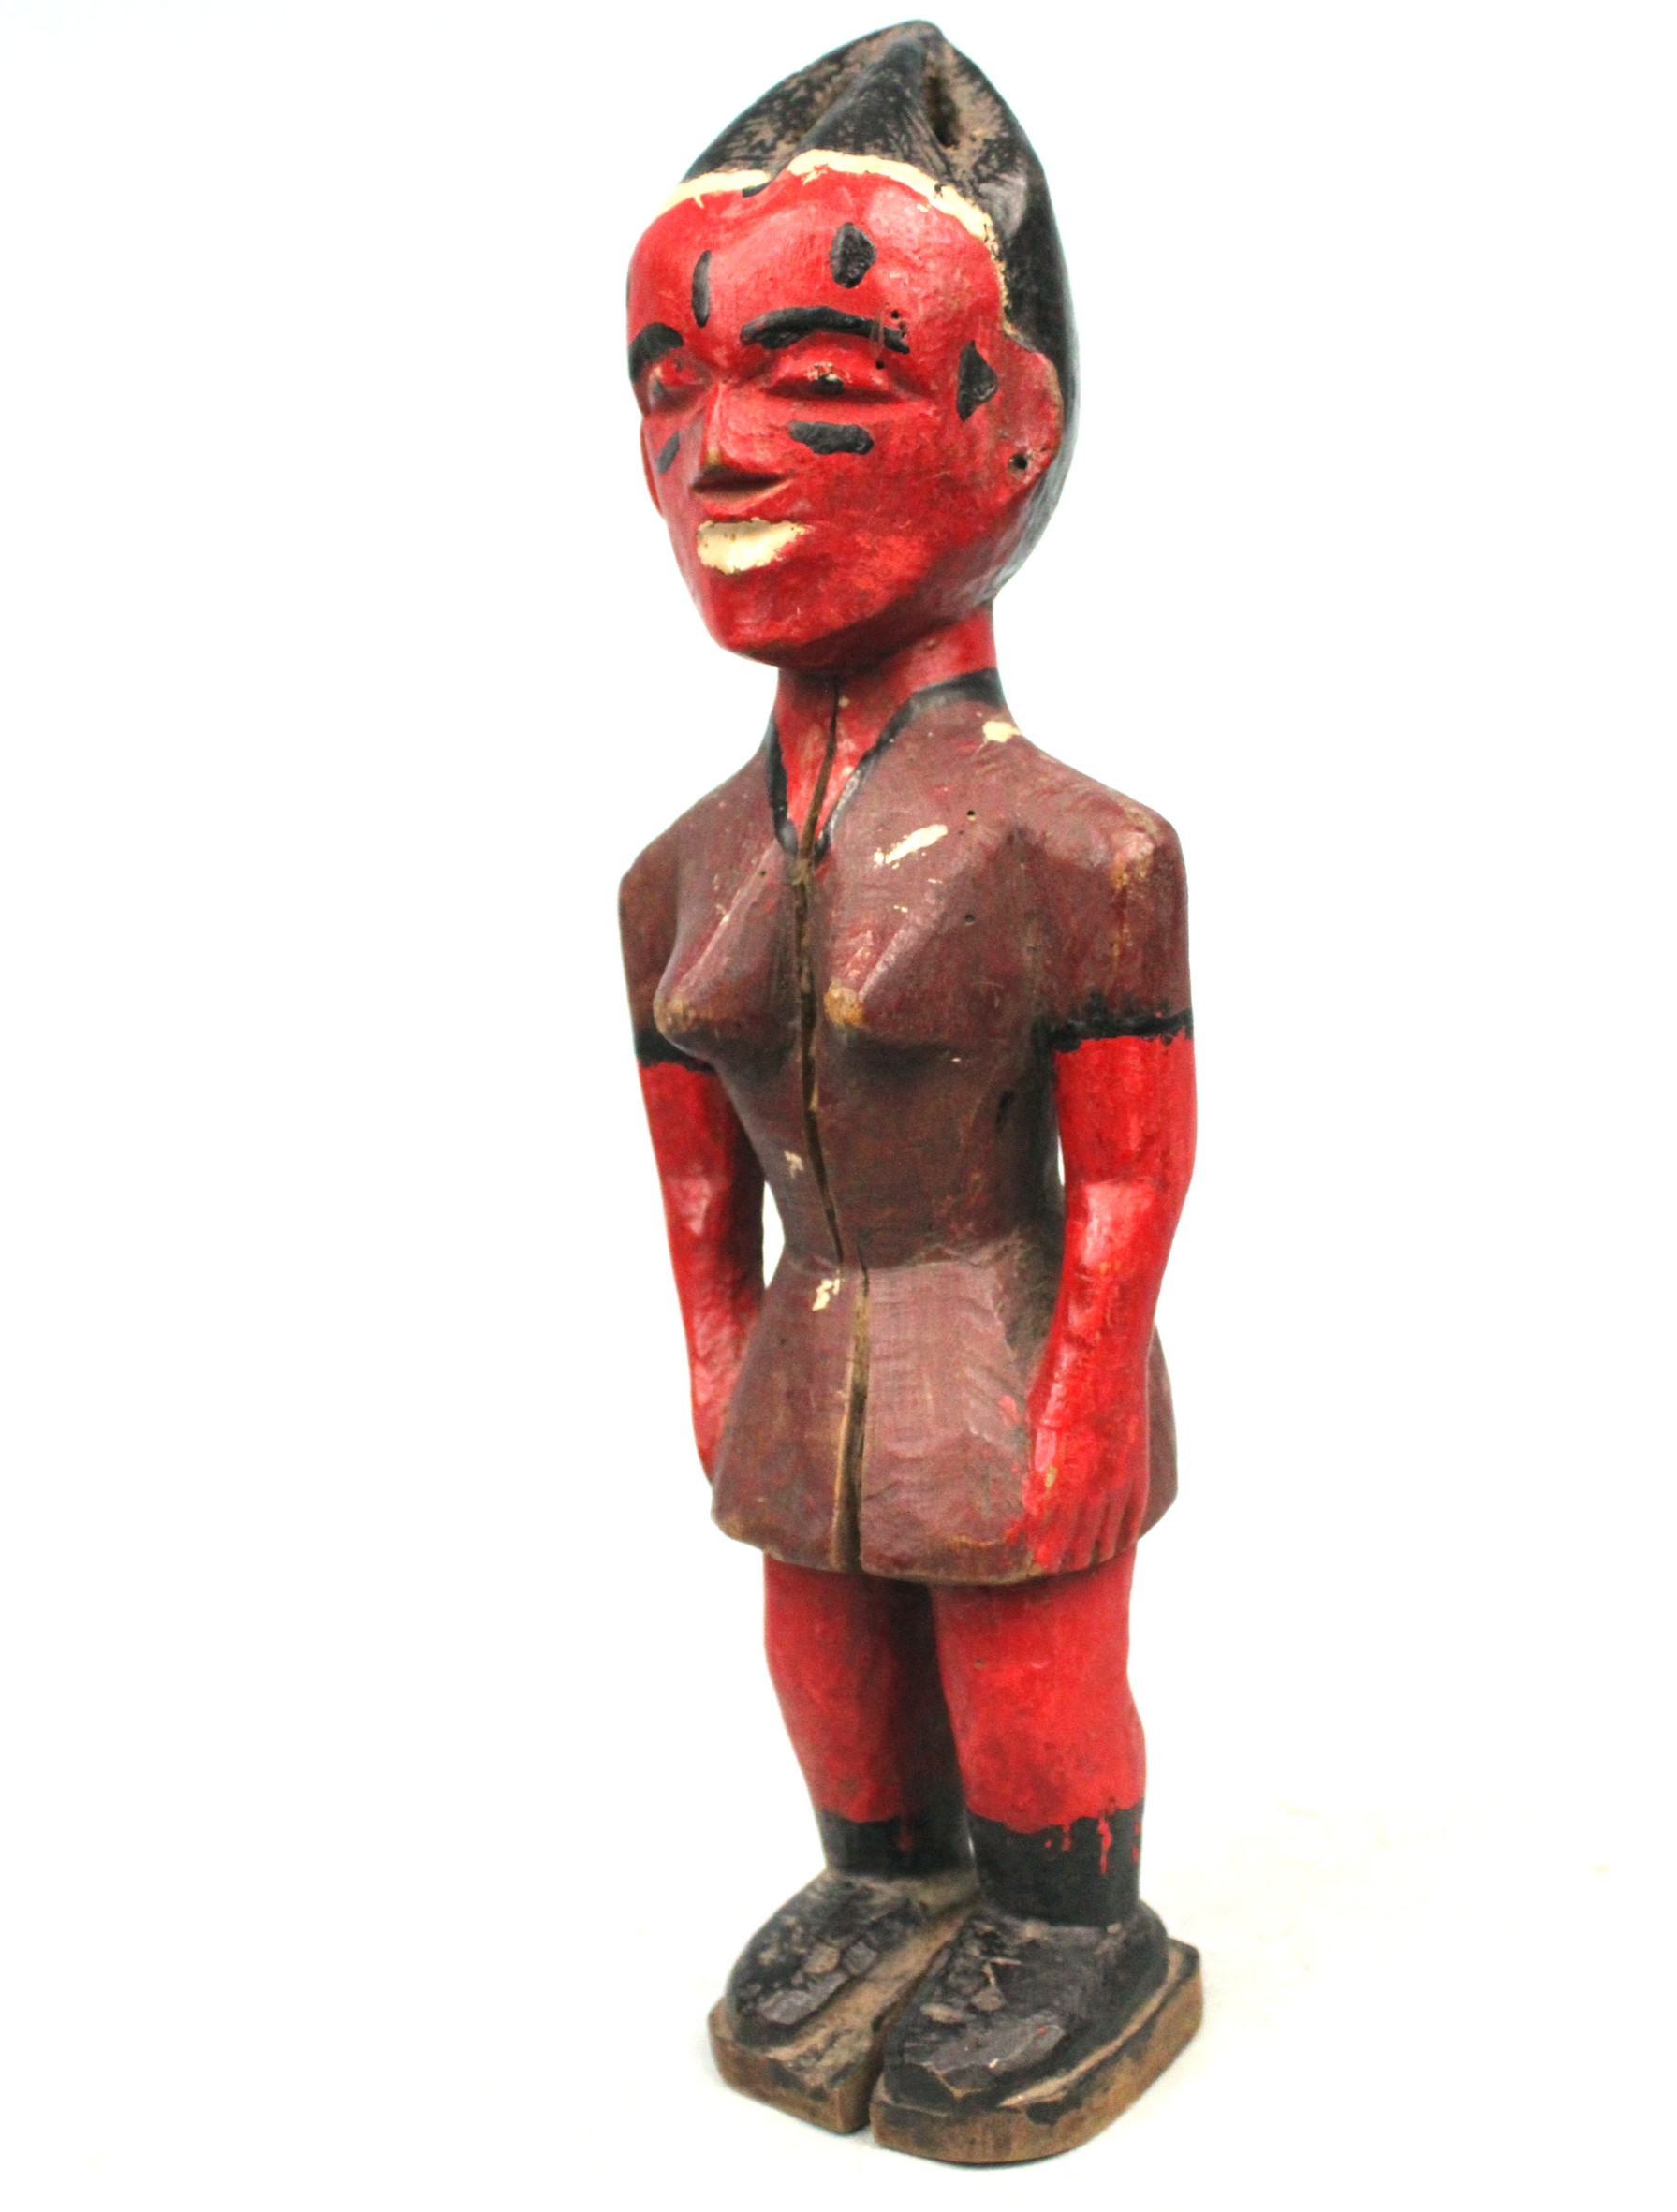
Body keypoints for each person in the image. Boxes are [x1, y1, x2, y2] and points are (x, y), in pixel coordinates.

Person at [619, 22, 1199, 2162]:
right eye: (668, 389)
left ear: (1010, 426)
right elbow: (692, 1158)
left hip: (998, 1329)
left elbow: (1130, 1165)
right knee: (830, 1659)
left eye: (820, 382)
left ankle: (1064, 1923)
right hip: (810, 1345)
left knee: (1026, 1670)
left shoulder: (1079, 851)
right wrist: (713, 1344)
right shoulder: (678, 871)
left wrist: (1086, 1385)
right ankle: (883, 1879)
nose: (720, 454)